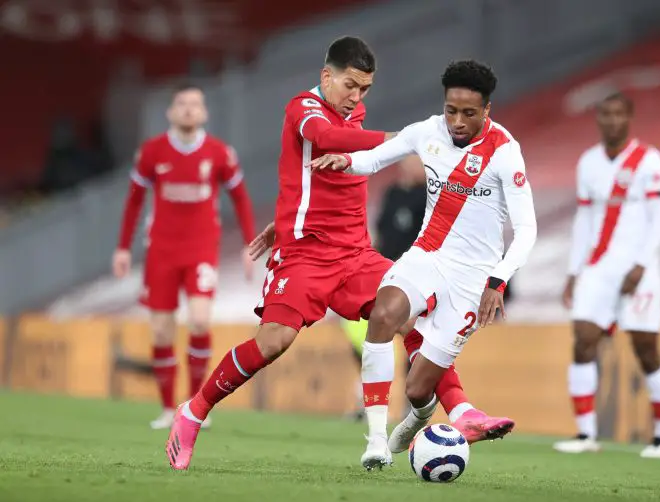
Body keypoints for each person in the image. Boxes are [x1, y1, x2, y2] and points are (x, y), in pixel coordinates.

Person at [165, 38, 513, 471]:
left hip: (354, 254)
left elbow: (319, 169)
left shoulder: (355, 114)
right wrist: (405, 141)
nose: (357, 97)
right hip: (305, 255)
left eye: (365, 89)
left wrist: (286, 211)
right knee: (274, 341)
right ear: (327, 76)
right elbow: (327, 138)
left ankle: (463, 413)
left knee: (412, 314)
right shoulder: (304, 108)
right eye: (350, 85)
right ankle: (193, 412)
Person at [311, 59, 537, 468]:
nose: (458, 121)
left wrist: (498, 281)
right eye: (452, 110)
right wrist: (346, 162)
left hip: (471, 278)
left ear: (487, 109)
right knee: (385, 314)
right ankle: (376, 440)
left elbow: (527, 230)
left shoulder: (505, 152)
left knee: (419, 388)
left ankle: (419, 415)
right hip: (426, 255)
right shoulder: (427, 131)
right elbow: (375, 159)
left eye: (469, 113)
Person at [113, 84, 257, 429]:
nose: (189, 110)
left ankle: (194, 407)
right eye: (182, 104)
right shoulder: (152, 152)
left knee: (199, 320)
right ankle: (166, 409)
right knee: (162, 331)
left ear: (205, 112)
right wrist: (122, 247)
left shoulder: (220, 153)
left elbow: (240, 198)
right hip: (161, 251)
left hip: (200, 249)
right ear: (171, 112)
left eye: (195, 104)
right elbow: (134, 200)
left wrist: (250, 243)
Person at [554, 92, 660, 458]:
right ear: (598, 118)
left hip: (638, 268)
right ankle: (586, 434)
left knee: (645, 348)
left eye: (618, 114)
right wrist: (574, 271)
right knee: (583, 339)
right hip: (597, 268)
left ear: (629, 117)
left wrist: (641, 264)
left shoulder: (649, 160)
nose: (610, 121)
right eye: (604, 114)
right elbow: (584, 219)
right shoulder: (588, 162)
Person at [342, 155, 427, 421]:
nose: (413, 167)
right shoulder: (392, 193)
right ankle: (365, 401)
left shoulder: (428, 197)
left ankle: (410, 407)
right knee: (364, 338)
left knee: (413, 341)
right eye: (410, 161)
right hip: (385, 275)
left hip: (415, 279)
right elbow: (378, 232)